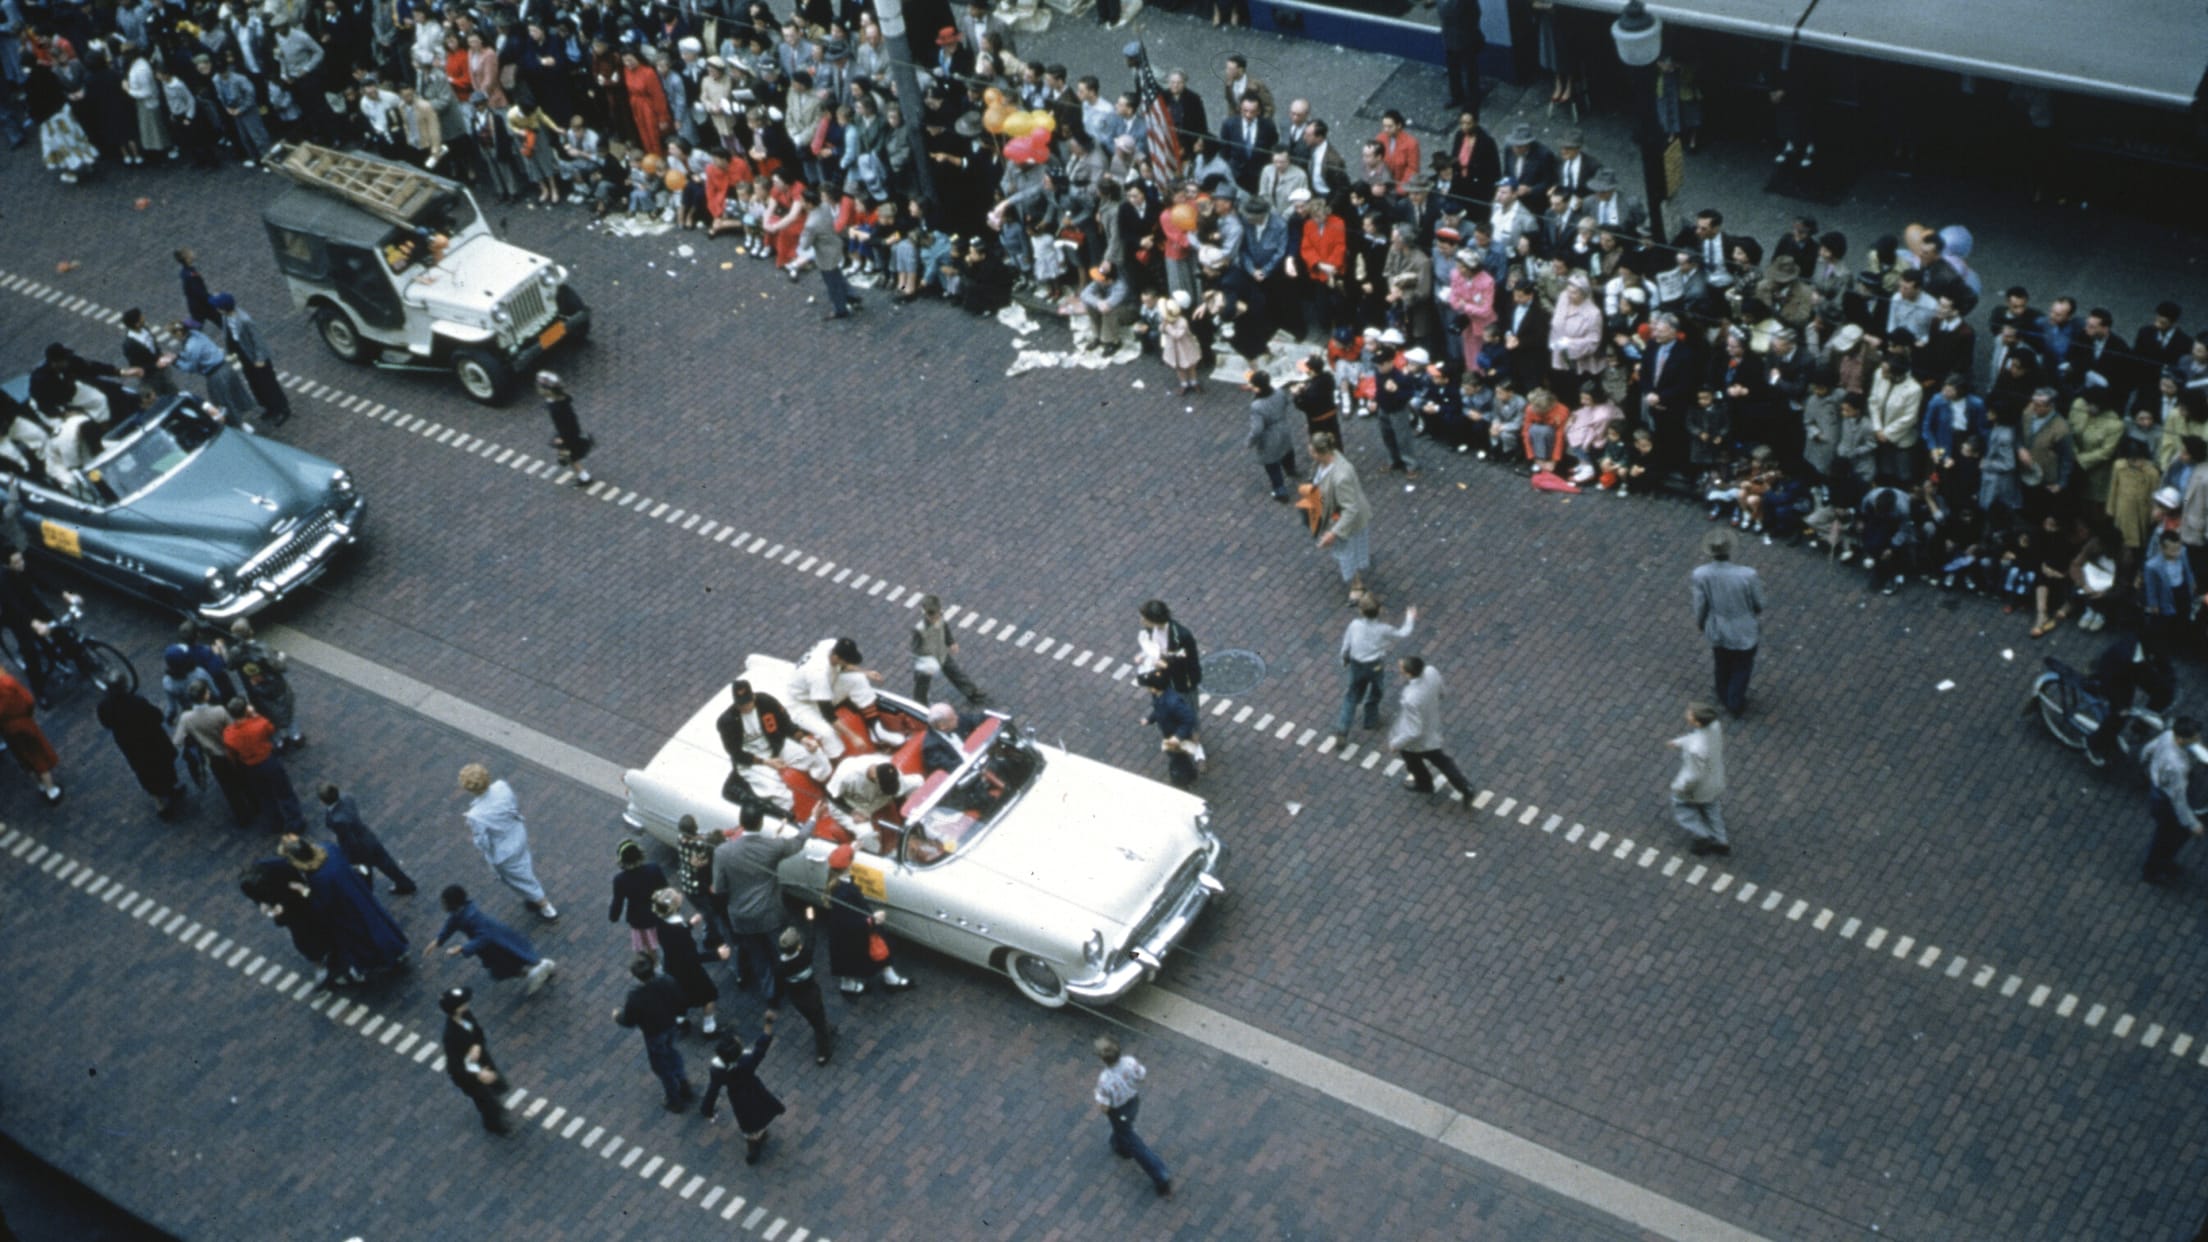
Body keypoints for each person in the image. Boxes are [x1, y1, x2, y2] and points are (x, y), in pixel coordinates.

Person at [282, 835, 408, 985]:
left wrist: (304, 891)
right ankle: (397, 951)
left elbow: (322, 904)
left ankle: (367, 965)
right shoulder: (329, 849)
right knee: (378, 923)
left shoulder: (318, 878)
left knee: (361, 939)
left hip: (346, 912)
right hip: (359, 894)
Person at [711, 804, 805, 996]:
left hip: (741, 917)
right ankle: (791, 983)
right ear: (761, 823)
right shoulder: (773, 846)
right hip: (770, 912)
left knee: (758, 956)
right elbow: (799, 842)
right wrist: (812, 819)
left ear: (741, 822)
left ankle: (770, 992)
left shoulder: (722, 852)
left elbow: (719, 888)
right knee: (780, 950)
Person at [459, 764, 559, 921]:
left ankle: (545, 906)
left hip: (503, 852)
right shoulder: (502, 787)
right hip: (518, 835)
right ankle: (535, 899)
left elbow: (482, 842)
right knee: (524, 868)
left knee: (521, 880)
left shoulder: (475, 815)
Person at [430, 885, 557, 995]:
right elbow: (451, 924)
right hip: (494, 943)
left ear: (453, 903)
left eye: (444, 902)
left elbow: (484, 936)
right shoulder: (461, 913)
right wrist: (439, 940)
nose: (443, 905)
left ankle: (537, 972)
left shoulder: (471, 916)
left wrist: (463, 948)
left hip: (494, 945)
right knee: (513, 960)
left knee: (505, 966)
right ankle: (540, 969)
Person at [1691, 529, 1765, 718]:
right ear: (1730, 550)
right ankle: (1734, 701)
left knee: (1721, 661)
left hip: (1718, 627)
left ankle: (1722, 691)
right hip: (1744, 628)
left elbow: (1700, 605)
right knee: (1743, 665)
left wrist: (1700, 623)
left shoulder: (1701, 574)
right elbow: (1759, 604)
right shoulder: (1748, 575)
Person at [823, 844, 912, 994]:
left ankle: (850, 984)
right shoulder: (844, 892)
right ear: (849, 865)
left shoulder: (836, 883)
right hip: (856, 930)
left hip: (844, 933)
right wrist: (872, 920)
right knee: (877, 949)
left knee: (847, 961)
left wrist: (852, 849)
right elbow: (848, 920)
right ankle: (889, 979)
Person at [1090, 1035, 1172, 1199]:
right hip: (1133, 1103)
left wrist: (1097, 1097)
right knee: (1121, 1132)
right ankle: (1119, 1145)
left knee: (1135, 1144)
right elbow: (1141, 1076)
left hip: (1118, 1111)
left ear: (1102, 1059)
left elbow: (1104, 1107)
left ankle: (1160, 1174)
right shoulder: (1129, 1062)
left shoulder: (1104, 1080)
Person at [613, 950, 694, 1112]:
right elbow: (681, 1000)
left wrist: (617, 1016)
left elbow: (628, 1020)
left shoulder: (635, 997)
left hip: (653, 1033)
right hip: (670, 1025)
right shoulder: (667, 981)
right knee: (672, 1052)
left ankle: (674, 1100)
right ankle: (684, 1084)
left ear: (636, 976)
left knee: (661, 1066)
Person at [1390, 656, 1476, 806]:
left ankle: (1424, 785)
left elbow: (1413, 731)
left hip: (1417, 741)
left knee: (1413, 761)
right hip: (1431, 727)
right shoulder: (1431, 671)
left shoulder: (1411, 698)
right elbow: (1441, 692)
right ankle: (1465, 787)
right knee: (1442, 761)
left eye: (1402, 667)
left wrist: (1396, 743)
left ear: (1409, 674)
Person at [700, 1019, 785, 1165]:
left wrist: (707, 1109)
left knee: (748, 1123)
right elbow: (760, 1049)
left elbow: (712, 1091)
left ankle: (754, 1144)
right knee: (762, 1111)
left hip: (739, 1099)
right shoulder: (747, 1061)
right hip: (756, 1091)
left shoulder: (718, 1071)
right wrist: (768, 1025)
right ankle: (757, 1140)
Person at [96, 681, 184, 817]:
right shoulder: (136, 701)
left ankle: (160, 804)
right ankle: (170, 789)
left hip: (132, 747)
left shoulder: (104, 707)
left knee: (145, 773)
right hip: (152, 742)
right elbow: (157, 716)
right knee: (163, 766)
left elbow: (106, 724)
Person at [240, 857, 333, 980]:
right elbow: (256, 897)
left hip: (301, 902)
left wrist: (282, 904)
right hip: (289, 914)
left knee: (320, 924)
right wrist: (262, 903)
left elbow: (298, 887)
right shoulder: (247, 884)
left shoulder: (279, 868)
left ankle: (332, 951)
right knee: (302, 938)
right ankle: (319, 961)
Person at [1337, 594, 1416, 739]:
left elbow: (1346, 644)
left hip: (1356, 665)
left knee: (1352, 695)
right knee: (1376, 692)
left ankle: (1343, 727)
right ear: (1379, 610)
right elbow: (1403, 633)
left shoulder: (1354, 625)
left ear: (1361, 611)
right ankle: (1370, 720)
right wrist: (1410, 617)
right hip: (1374, 666)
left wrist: (1343, 659)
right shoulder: (1383, 629)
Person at [207, 293, 292, 427]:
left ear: (223, 308)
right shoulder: (225, 317)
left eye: (217, 306)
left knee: (269, 384)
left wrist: (260, 359)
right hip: (244, 355)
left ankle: (282, 408)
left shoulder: (245, 320)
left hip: (256, 357)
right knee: (255, 384)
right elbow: (229, 335)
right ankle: (268, 406)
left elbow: (258, 341)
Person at [440, 986, 516, 1135]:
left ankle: (496, 1093)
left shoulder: (466, 1015)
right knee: (487, 1103)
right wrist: (479, 1075)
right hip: (470, 1076)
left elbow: (478, 1033)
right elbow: (455, 1068)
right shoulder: (450, 1036)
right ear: (456, 1009)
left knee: (495, 1084)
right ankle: (494, 1125)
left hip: (482, 1062)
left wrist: (477, 1045)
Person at [653, 888, 728, 1036]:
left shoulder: (660, 920)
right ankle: (709, 1029)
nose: (680, 895)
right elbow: (692, 957)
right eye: (677, 896)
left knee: (679, 997)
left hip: (672, 968)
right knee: (709, 996)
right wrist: (717, 955)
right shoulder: (680, 932)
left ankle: (680, 1022)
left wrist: (689, 924)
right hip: (690, 972)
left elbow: (675, 932)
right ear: (674, 906)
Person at [320, 784, 417, 896]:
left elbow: (347, 838)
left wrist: (349, 856)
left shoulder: (336, 819)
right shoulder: (346, 797)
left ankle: (367, 895)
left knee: (364, 873)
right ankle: (405, 884)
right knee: (385, 862)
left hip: (358, 848)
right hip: (367, 836)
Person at [1308, 432, 1371, 601]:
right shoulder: (1328, 460)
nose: (1310, 454)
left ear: (1321, 453)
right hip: (1335, 514)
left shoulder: (1340, 477)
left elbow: (1351, 509)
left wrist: (1333, 532)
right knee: (1348, 551)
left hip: (1346, 521)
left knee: (1347, 553)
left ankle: (1357, 585)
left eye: (1312, 452)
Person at [224, 698, 303, 832]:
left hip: (250, 768)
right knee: (284, 792)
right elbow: (270, 729)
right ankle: (296, 821)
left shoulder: (228, 735)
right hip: (268, 761)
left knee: (265, 796)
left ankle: (276, 823)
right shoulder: (259, 724)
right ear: (245, 710)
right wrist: (255, 715)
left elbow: (231, 755)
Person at [2142, 717, 2204, 884]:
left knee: (2167, 836)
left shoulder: (2168, 735)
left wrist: (2147, 768)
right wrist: (2193, 824)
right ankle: (2152, 870)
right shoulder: (2177, 767)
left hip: (2159, 790)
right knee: (2166, 836)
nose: (2198, 740)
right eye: (2194, 738)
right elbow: (2179, 802)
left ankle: (2162, 862)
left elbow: (2148, 750)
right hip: (2166, 802)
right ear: (2181, 739)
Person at [227, 620, 303, 750]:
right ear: (251, 631)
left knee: (268, 714)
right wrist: (281, 657)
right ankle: (295, 737)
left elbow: (230, 665)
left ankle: (279, 742)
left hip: (255, 690)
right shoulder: (262, 649)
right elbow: (279, 667)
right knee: (287, 711)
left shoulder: (235, 652)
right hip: (274, 687)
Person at [1668, 701, 1730, 857]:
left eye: (1690, 713)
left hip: (1699, 788)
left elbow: (1693, 775)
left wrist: (1680, 787)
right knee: (1711, 808)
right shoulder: (1714, 726)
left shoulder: (1696, 749)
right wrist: (1679, 743)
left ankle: (1703, 835)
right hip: (1714, 780)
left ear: (1696, 721)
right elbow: (1696, 738)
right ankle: (1721, 840)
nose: (1687, 713)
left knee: (1682, 807)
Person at [769, 925, 837, 1066]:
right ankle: (823, 1053)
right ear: (797, 945)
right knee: (819, 1023)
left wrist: (774, 1002)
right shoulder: (805, 955)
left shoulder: (780, 967)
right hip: (812, 994)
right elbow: (811, 939)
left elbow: (778, 986)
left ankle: (823, 1026)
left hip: (797, 999)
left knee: (813, 1018)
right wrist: (811, 921)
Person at [910, 593, 988, 705]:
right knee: (922, 684)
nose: (935, 619)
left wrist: (951, 642)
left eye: (937, 615)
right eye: (932, 616)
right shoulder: (919, 629)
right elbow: (916, 649)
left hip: (941, 653)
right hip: (927, 661)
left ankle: (971, 692)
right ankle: (920, 704)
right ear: (926, 614)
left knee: (956, 672)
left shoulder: (940, 618)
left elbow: (945, 629)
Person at [1138, 669, 1200, 789]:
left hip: (1177, 737)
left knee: (1178, 757)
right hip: (1170, 734)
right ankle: (1190, 774)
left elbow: (1189, 719)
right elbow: (1158, 710)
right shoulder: (1158, 695)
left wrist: (1178, 736)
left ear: (1154, 687)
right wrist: (1150, 719)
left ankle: (1183, 780)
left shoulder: (1173, 703)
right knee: (1179, 757)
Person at [610, 837, 670, 953]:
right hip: (658, 912)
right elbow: (665, 889)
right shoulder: (654, 868)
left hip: (639, 919)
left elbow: (618, 902)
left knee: (649, 945)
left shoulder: (620, 880)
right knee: (665, 938)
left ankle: (657, 965)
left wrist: (614, 916)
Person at [1244, 370, 1298, 502]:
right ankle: (1291, 470)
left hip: (1269, 437)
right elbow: (1286, 403)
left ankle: (1280, 490)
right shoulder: (1279, 392)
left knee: (1272, 464)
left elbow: (1257, 429)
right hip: (1283, 428)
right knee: (1287, 451)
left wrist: (1249, 442)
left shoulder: (1256, 406)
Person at [536, 372, 595, 486]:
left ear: (548, 390)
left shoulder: (556, 408)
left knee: (571, 456)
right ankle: (580, 473)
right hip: (571, 432)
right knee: (570, 455)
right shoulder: (562, 399)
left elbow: (564, 425)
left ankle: (584, 477)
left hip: (568, 435)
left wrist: (561, 438)